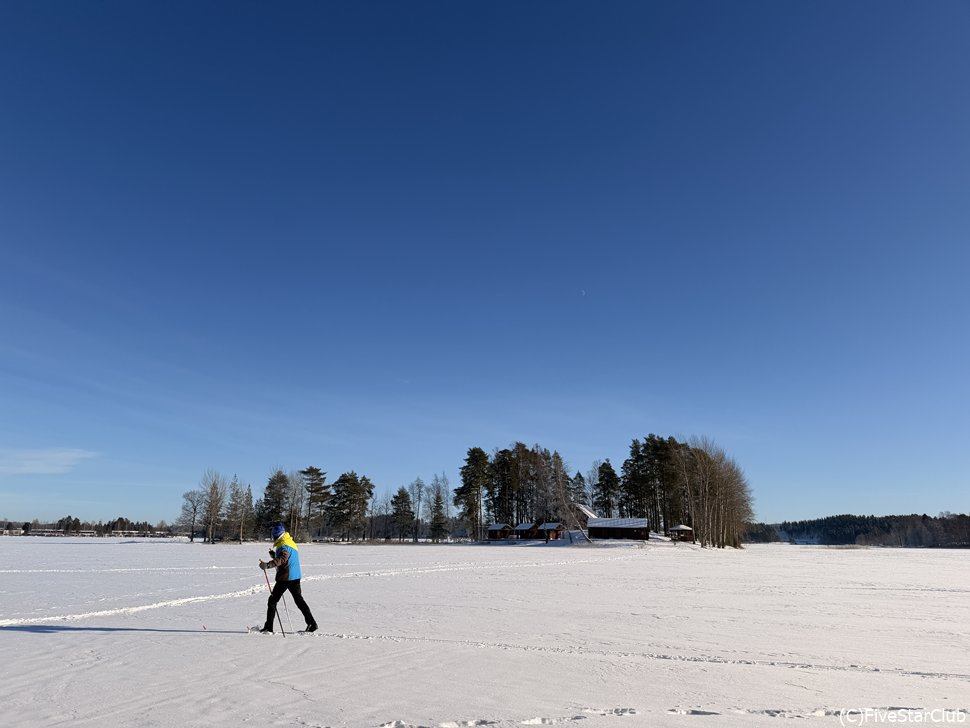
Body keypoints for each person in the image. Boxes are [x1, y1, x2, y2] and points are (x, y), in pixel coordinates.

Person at [259, 523, 317, 634]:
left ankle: (268, 627)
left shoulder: (283, 545)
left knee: (272, 601)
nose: (273, 537)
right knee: (299, 600)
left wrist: (268, 565)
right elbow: (286, 557)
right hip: (295, 577)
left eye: (273, 535)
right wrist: (274, 555)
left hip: (286, 578)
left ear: (277, 535)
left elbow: (283, 558)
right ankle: (312, 624)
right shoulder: (290, 542)